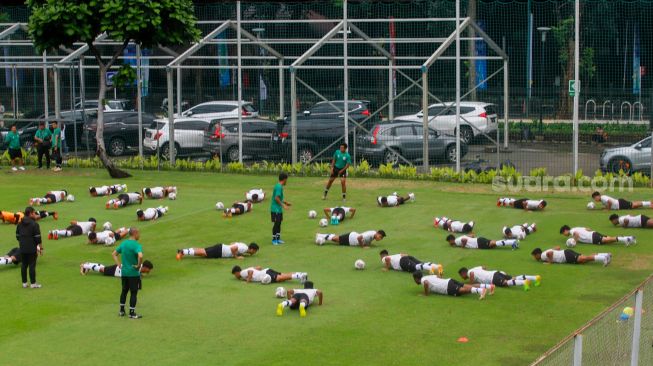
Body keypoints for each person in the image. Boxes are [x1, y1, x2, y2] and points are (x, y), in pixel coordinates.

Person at [112, 227, 144, 319]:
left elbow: (114, 254)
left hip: (124, 272)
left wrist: (118, 264)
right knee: (133, 292)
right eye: (139, 233)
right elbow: (140, 256)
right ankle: (132, 313)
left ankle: (122, 311)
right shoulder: (137, 245)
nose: (139, 235)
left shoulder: (124, 243)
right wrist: (138, 265)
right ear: (135, 233)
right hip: (133, 273)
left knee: (124, 291)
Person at [16, 207, 43, 288]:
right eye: (34, 213)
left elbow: (17, 236)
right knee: (32, 265)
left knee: (24, 264)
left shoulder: (20, 223)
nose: (35, 215)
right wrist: (40, 248)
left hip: (22, 247)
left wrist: (23, 242)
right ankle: (33, 284)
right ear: (30, 213)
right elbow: (38, 238)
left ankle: (24, 283)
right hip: (31, 248)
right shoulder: (34, 224)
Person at [412, 271, 488, 300]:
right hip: (449, 280)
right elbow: (439, 277)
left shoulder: (422, 280)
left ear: (416, 278)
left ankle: (481, 291)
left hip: (446, 287)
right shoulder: (427, 276)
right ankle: (487, 287)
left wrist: (426, 294)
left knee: (461, 290)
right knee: (465, 286)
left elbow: (426, 283)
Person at [458, 266, 541, 292]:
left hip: (492, 278)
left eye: (461, 276)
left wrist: (470, 283)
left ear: (463, 273)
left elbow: (472, 276)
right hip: (495, 273)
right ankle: (535, 277)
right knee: (513, 278)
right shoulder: (474, 268)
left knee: (505, 283)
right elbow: (484, 267)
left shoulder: (469, 272)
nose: (462, 277)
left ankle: (524, 282)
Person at [531, 247, 611, 266]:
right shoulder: (544, 253)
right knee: (583, 260)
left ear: (537, 254)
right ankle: (605, 254)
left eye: (534, 256)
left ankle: (603, 258)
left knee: (584, 258)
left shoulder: (542, 255)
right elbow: (557, 247)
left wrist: (550, 262)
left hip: (566, 256)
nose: (534, 258)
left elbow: (550, 253)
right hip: (566, 253)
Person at [559, 225, 635, 246]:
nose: (564, 235)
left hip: (592, 238)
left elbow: (576, 234)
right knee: (608, 239)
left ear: (565, 230)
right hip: (593, 234)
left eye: (563, 233)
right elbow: (588, 228)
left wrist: (574, 242)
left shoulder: (572, 231)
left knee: (607, 240)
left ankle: (626, 239)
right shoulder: (575, 228)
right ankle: (627, 238)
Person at [176, 242, 259, 260]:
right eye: (255, 251)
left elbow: (233, 243)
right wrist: (236, 257)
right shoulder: (244, 248)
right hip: (221, 251)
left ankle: (183, 251)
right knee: (203, 253)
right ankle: (182, 252)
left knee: (202, 251)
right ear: (252, 249)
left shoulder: (244, 246)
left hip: (221, 248)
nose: (254, 253)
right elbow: (234, 248)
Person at [231, 265, 308, 284]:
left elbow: (250, 272)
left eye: (235, 274)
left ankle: (300, 276)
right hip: (267, 270)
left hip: (265, 274)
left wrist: (247, 281)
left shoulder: (242, 272)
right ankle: (300, 274)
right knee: (283, 276)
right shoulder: (245, 271)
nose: (236, 276)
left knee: (280, 278)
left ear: (237, 272)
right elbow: (259, 267)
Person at [271, 173, 291, 245]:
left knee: (279, 223)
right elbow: (276, 198)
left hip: (278, 209)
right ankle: (274, 240)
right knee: (276, 224)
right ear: (284, 179)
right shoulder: (279, 187)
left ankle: (278, 239)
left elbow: (278, 198)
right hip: (275, 209)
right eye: (286, 180)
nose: (287, 181)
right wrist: (283, 206)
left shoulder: (278, 186)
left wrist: (285, 202)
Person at [315, 230, 386, 248]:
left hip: (352, 238)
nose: (380, 239)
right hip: (351, 238)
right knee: (335, 239)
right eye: (380, 237)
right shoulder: (370, 235)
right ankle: (320, 235)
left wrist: (368, 244)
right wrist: (363, 246)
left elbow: (367, 240)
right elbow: (359, 238)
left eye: (381, 238)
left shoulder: (373, 234)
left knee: (337, 239)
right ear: (377, 233)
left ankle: (321, 236)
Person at [80, 260, 153, 276]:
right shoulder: (137, 267)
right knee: (102, 270)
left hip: (118, 270)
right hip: (116, 270)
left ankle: (88, 264)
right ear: (145, 267)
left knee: (103, 268)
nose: (149, 271)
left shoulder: (139, 267)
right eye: (149, 269)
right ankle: (84, 266)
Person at [446, 234, 519, 250]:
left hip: (478, 243)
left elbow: (464, 240)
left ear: (451, 240)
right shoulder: (459, 238)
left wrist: (463, 247)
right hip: (478, 240)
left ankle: (513, 242)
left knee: (494, 244)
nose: (449, 243)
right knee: (494, 244)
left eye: (449, 242)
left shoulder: (457, 240)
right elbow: (471, 235)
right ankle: (512, 242)